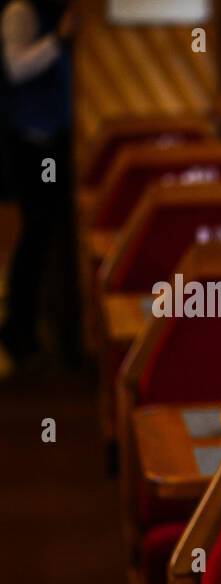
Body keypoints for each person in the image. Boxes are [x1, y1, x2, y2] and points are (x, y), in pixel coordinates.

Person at [0, 0, 77, 378]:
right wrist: (58, 41)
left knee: (44, 232)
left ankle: (38, 329)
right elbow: (14, 67)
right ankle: (19, 330)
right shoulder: (21, 12)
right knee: (37, 232)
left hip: (49, 143)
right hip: (35, 146)